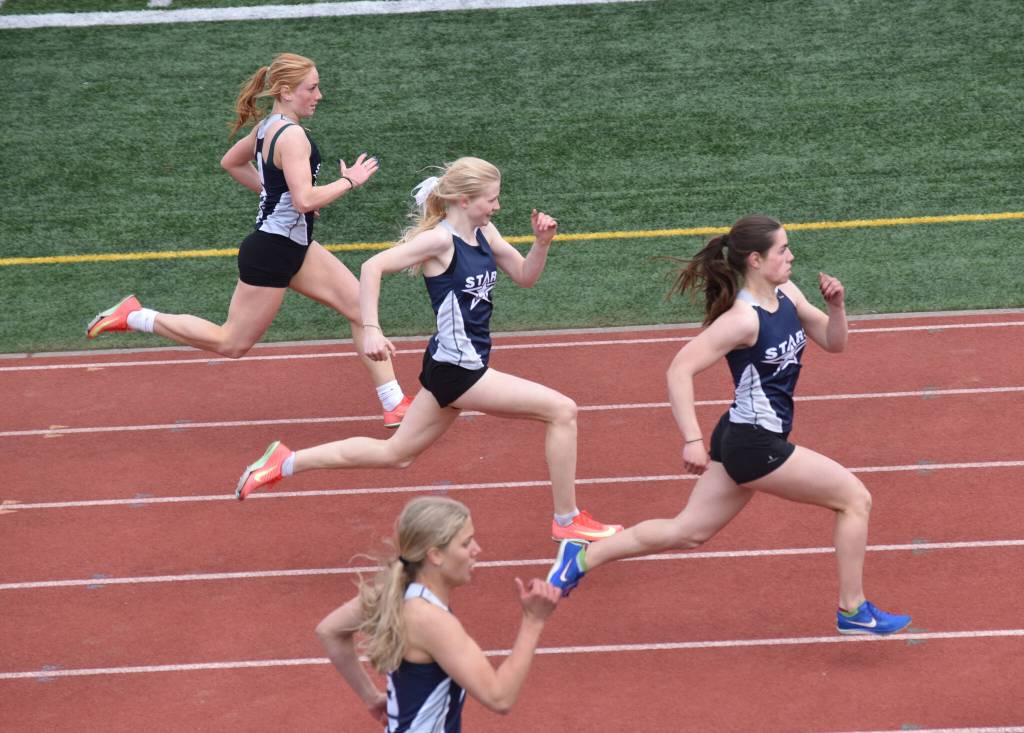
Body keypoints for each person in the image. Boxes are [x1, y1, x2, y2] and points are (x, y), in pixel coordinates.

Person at [546, 214, 912, 636]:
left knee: (687, 532)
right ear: (755, 260)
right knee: (854, 499)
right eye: (783, 250)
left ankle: (583, 558)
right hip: (753, 444)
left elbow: (834, 342)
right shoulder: (742, 319)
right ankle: (852, 610)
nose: (792, 256)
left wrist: (837, 306)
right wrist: (692, 440)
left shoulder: (787, 293)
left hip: (745, 435)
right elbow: (678, 370)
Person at [234, 157, 622, 542]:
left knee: (396, 454)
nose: (498, 206)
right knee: (562, 411)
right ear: (465, 200)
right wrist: (371, 329)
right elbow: (372, 267)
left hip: (448, 364)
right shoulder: (439, 240)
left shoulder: (485, 233)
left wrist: (542, 243)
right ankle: (566, 519)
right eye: (492, 199)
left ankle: (286, 461)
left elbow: (524, 276)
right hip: (460, 369)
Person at [85, 52, 411, 427]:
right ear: (286, 92)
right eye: (312, 88)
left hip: (295, 246)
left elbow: (233, 163)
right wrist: (348, 181)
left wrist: (279, 197)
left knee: (360, 308)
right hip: (272, 252)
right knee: (232, 343)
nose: (319, 95)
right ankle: (136, 315)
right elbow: (304, 199)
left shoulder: (267, 127)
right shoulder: (293, 137)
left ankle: (393, 402)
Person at [316, 496, 560, 729]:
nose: (477, 549)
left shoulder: (397, 588)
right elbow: (500, 698)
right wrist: (533, 620)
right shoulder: (430, 620)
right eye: (466, 543)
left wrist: (371, 698)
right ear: (435, 555)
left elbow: (330, 630)